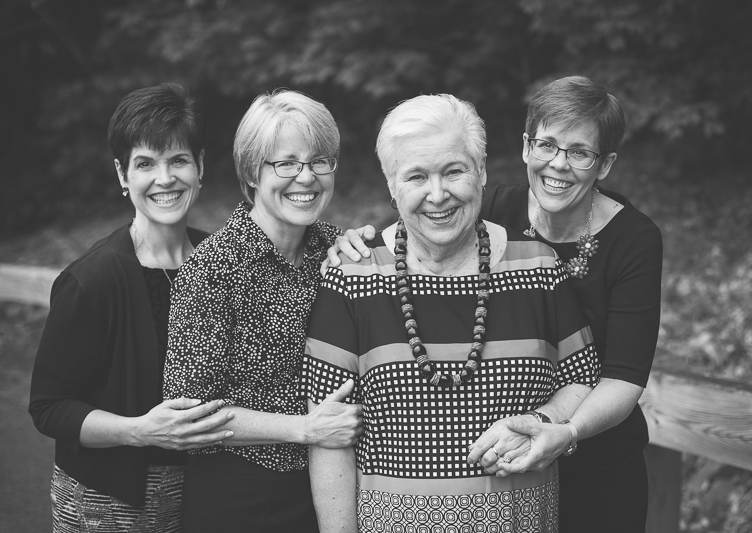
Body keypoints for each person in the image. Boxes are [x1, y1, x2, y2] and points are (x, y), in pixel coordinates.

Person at [303, 93, 600, 532]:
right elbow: (328, 436)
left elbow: (582, 377)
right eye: (416, 176)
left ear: (480, 172)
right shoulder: (353, 277)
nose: (437, 194)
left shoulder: (538, 267)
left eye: (454, 171)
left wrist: (545, 419)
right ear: (391, 186)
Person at [29, 82, 234, 532]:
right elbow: (49, 407)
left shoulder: (220, 262)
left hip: (205, 498)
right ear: (123, 175)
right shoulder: (92, 280)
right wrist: (140, 430)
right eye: (146, 164)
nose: (165, 179)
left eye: (178, 159)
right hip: (109, 504)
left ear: (200, 167)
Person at [162, 89, 364, 533]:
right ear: (253, 172)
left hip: (328, 487)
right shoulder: (214, 266)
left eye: (318, 161)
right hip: (240, 497)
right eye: (286, 163)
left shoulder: (333, 247)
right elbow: (188, 413)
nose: (306, 177)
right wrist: (304, 429)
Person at [468, 76, 664, 532]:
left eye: (579, 152)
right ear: (525, 146)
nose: (558, 164)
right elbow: (413, 237)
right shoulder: (491, 211)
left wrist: (568, 433)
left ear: (605, 164)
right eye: (547, 145)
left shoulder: (634, 239)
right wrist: (357, 242)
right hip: (504, 463)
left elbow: (624, 378)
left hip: (597, 461)